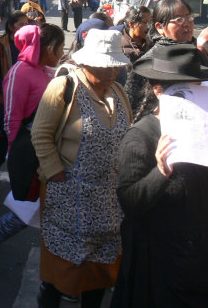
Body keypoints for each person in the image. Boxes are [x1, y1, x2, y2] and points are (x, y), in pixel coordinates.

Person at [111, 44, 208, 307]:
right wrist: (160, 172)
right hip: (163, 264)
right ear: (158, 91)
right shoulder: (141, 136)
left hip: (207, 254)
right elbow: (129, 202)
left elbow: (204, 174)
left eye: (197, 87)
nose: (193, 96)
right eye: (182, 89)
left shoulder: (204, 126)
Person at [31, 30, 132, 308]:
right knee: (59, 273)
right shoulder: (64, 87)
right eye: (105, 64)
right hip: (67, 198)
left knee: (98, 275)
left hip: (108, 204)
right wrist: (56, 174)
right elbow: (40, 135)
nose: (112, 71)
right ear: (87, 62)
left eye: (115, 65)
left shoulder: (119, 92)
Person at [0, 23, 65, 280]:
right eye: (58, 49)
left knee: (45, 211)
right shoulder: (20, 72)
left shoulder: (45, 70)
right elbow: (11, 118)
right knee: (25, 210)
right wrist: (17, 156)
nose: (60, 54)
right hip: (29, 152)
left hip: (48, 149)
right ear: (46, 48)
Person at [0, 11, 28, 174]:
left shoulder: (30, 45)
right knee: (5, 133)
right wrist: (11, 92)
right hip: (6, 99)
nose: (25, 28)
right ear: (11, 27)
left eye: (27, 25)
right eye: (21, 25)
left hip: (27, 100)